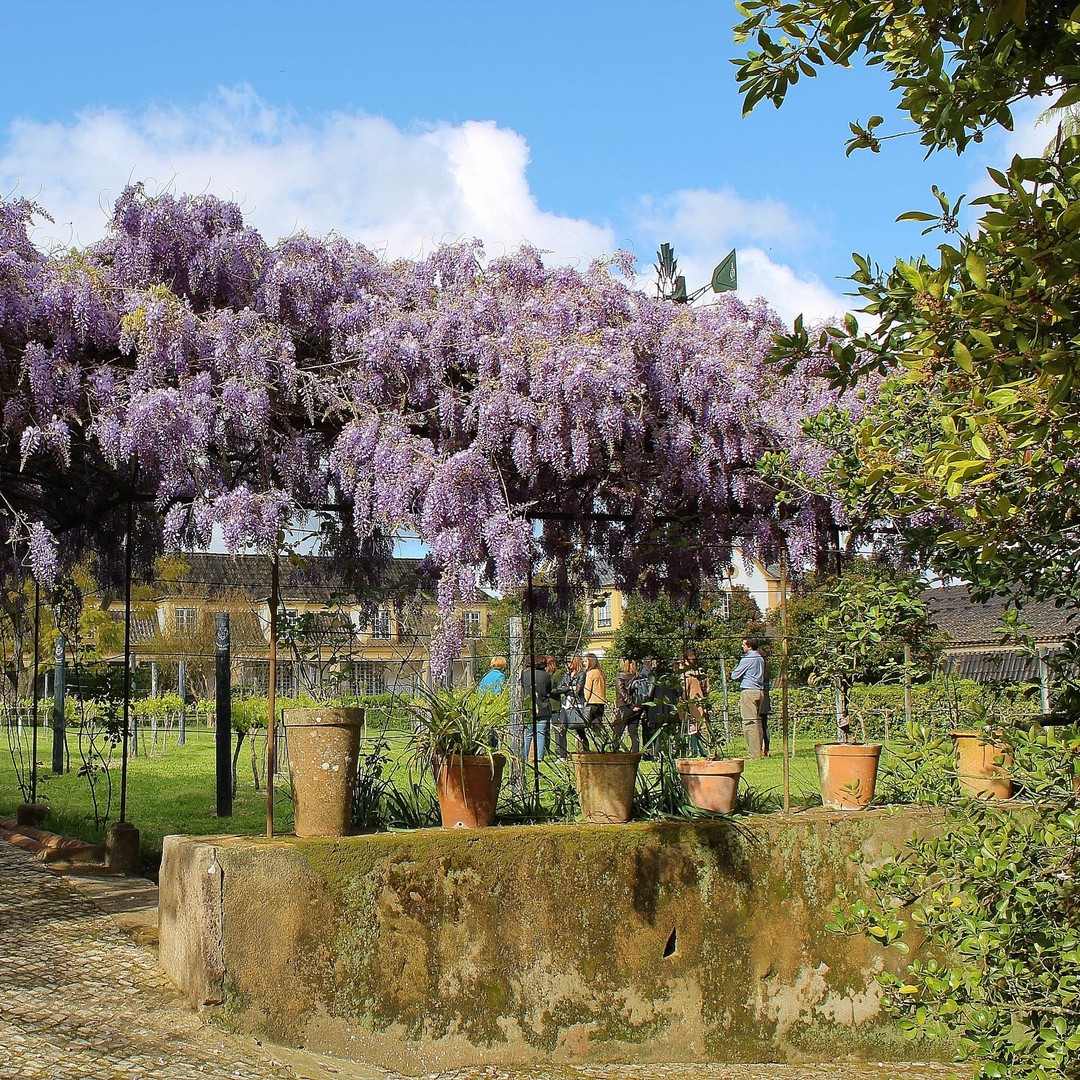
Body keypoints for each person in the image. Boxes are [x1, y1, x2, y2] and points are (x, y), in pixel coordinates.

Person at [730, 637, 766, 758]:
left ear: (749, 646)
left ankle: (754, 754)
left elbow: (735, 675)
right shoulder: (760, 658)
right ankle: (758, 751)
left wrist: (741, 675)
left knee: (749, 723)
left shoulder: (748, 658)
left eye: (744, 645)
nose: (742, 646)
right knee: (757, 722)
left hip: (749, 691)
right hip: (759, 690)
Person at [521, 654, 553, 766]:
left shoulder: (525, 674)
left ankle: (524, 757)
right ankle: (539, 758)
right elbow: (549, 690)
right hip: (543, 707)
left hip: (528, 707)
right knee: (540, 733)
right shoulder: (546, 675)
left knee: (528, 734)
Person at [679, 650, 710, 757]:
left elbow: (683, 692)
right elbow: (707, 689)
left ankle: (693, 751)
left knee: (691, 728)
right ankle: (705, 751)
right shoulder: (701, 674)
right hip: (700, 704)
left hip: (690, 705)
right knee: (700, 728)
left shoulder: (686, 676)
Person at [554, 654, 586, 756]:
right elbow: (559, 688)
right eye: (566, 662)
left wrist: (566, 688)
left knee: (580, 729)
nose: (567, 664)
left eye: (569, 662)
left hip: (577, 704)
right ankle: (563, 755)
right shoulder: (566, 674)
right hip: (565, 705)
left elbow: (578, 690)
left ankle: (585, 751)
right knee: (562, 729)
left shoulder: (581, 674)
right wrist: (569, 688)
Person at [613, 659, 640, 752]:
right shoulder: (637, 676)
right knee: (633, 732)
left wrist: (631, 704)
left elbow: (621, 692)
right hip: (637, 707)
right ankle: (635, 754)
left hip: (625, 706)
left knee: (617, 732)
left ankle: (615, 753)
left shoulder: (621, 676)